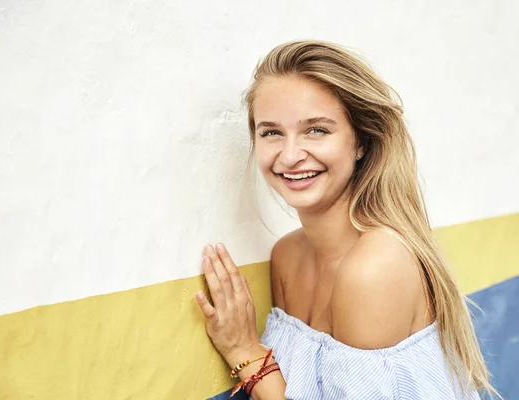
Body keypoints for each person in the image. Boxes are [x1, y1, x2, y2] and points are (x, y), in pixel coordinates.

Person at [195, 40, 500, 399]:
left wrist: (243, 350)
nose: (290, 155)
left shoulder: (373, 269)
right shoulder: (286, 256)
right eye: (272, 132)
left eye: (317, 130)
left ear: (361, 142)